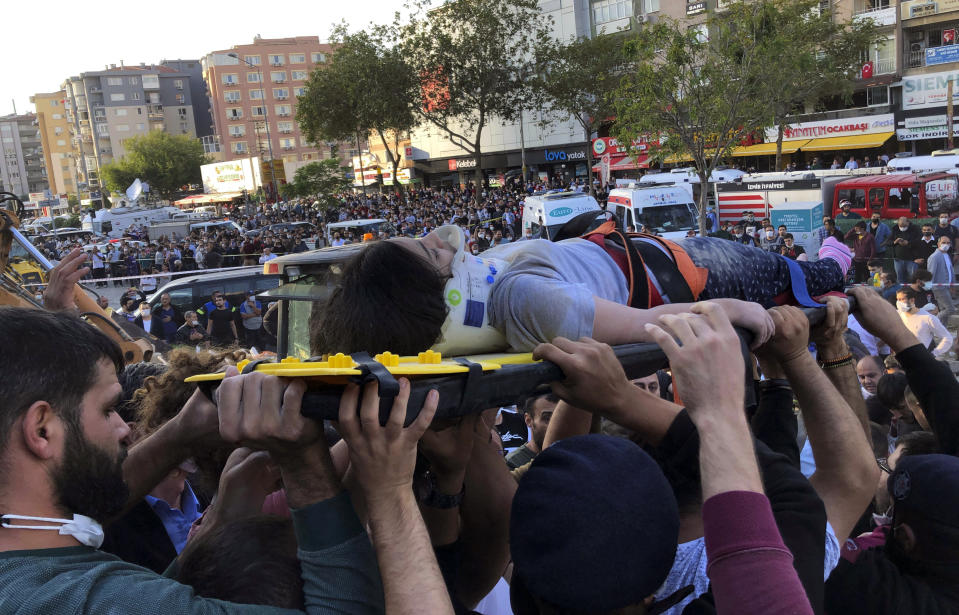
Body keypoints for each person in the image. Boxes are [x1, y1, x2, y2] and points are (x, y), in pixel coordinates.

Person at [0, 307, 401, 614]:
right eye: (107, 410)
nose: (123, 429)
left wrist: (221, 514)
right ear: (41, 430)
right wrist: (304, 463)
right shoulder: (81, 599)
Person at [312, 224, 853, 356]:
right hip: (683, 271)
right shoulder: (521, 300)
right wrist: (732, 307)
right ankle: (837, 260)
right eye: (432, 251)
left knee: (798, 270)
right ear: (444, 293)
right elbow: (653, 324)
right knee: (803, 277)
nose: (443, 240)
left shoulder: (502, 295)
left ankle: (830, 259)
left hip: (644, 252)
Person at [504, 390, 556, 470]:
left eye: (561, 418)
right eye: (547, 418)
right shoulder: (512, 464)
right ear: (529, 420)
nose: (555, 425)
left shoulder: (574, 453)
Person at [896, 287, 953, 358]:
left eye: (902, 299)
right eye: (898, 299)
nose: (899, 302)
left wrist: (934, 353)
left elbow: (948, 338)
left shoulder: (927, 318)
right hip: (904, 358)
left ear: (912, 300)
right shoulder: (897, 315)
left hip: (923, 359)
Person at [885, 217, 922, 288]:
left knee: (913, 278)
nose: (902, 227)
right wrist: (895, 242)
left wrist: (908, 243)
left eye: (904, 226)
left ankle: (914, 292)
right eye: (900, 226)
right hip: (898, 260)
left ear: (908, 223)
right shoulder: (895, 229)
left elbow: (919, 241)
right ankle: (901, 293)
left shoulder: (915, 229)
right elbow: (887, 242)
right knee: (900, 279)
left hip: (912, 259)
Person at [927, 235, 956, 320]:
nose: (946, 244)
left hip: (946, 287)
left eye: (948, 243)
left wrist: (952, 285)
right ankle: (934, 322)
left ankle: (942, 330)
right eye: (943, 242)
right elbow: (930, 273)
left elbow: (950, 271)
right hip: (939, 288)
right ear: (938, 244)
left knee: (944, 309)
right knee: (950, 309)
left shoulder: (946, 255)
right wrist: (930, 287)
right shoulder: (934, 257)